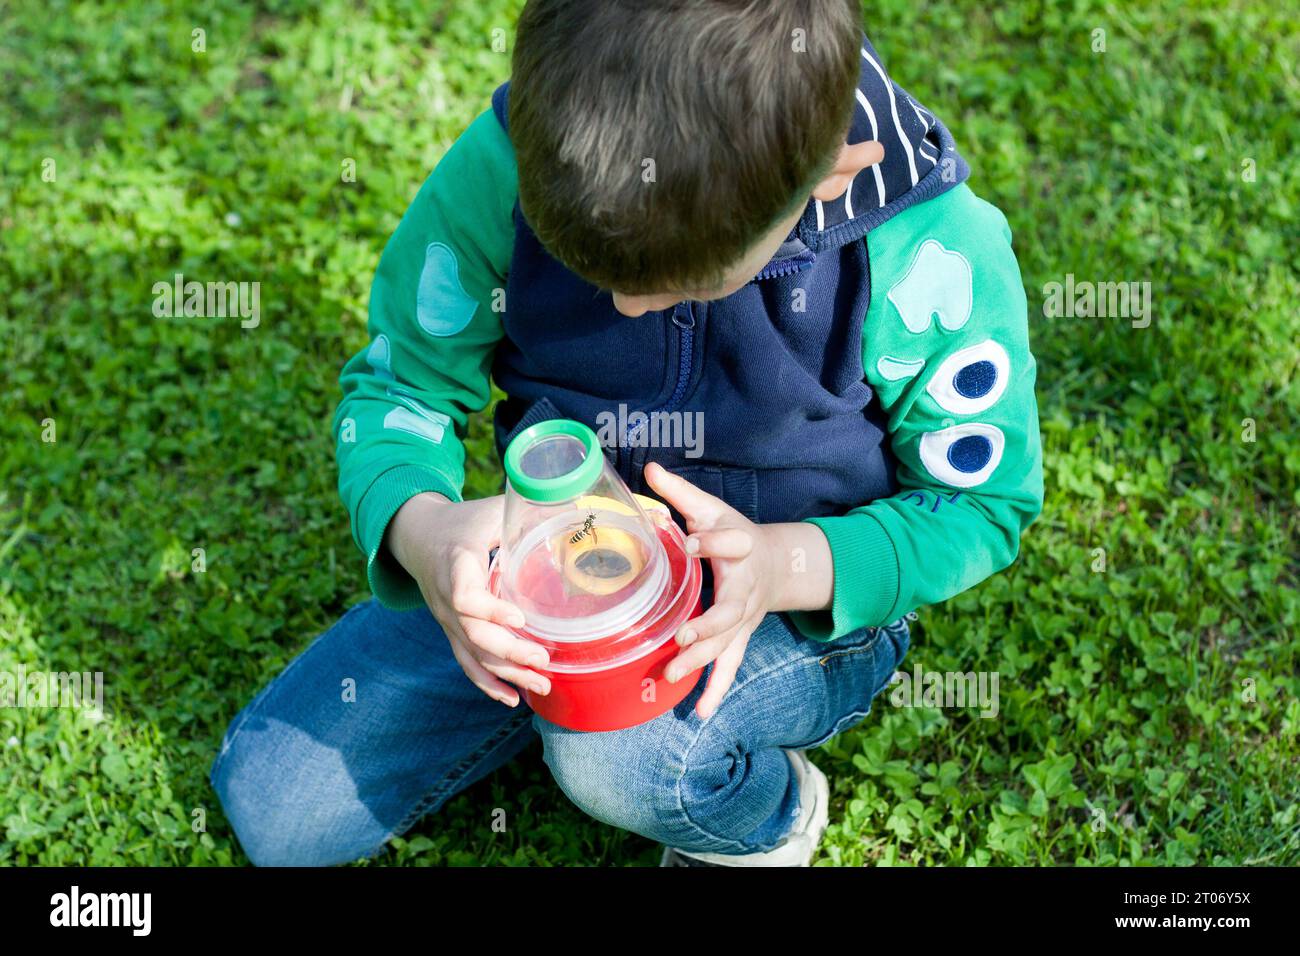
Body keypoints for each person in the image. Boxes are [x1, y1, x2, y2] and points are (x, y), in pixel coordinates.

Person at [211, 0, 1043, 867]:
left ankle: (764, 820)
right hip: (545, 572)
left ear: (829, 176)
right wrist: (425, 534)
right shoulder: (510, 164)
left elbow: (982, 504)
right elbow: (399, 383)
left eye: (688, 284)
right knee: (277, 814)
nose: (627, 308)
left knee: (621, 756)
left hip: (783, 600)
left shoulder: (927, 254)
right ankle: (560, 709)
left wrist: (782, 564)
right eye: (586, 268)